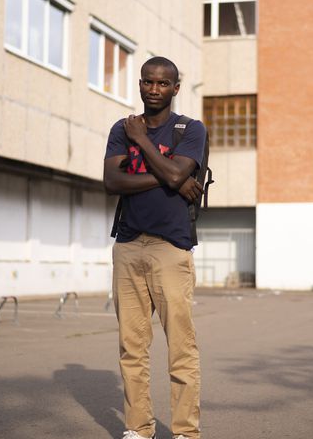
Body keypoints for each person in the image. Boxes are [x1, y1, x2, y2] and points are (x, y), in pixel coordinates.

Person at [103, 56, 205, 439]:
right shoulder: (120, 127)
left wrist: (143, 143)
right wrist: (172, 180)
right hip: (128, 245)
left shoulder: (190, 130)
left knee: (181, 347)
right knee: (132, 348)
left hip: (171, 248)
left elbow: (182, 170)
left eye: (163, 84)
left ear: (176, 88)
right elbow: (112, 181)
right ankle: (138, 428)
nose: (154, 90)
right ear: (141, 83)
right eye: (148, 82)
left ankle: (184, 432)